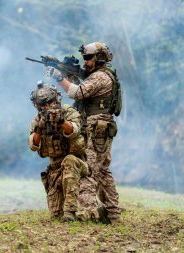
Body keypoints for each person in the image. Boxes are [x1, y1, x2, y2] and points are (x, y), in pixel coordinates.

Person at [46, 42, 122, 224]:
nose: (85, 61)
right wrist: (64, 69)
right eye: (84, 58)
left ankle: (88, 213)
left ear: (100, 58)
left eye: (88, 58)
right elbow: (81, 82)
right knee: (103, 171)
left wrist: (57, 76)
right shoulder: (97, 75)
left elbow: (77, 92)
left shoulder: (100, 77)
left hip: (97, 129)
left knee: (88, 169)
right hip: (99, 128)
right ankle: (114, 214)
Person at [28, 81, 102, 222]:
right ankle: (69, 210)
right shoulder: (37, 120)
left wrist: (61, 121)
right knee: (55, 215)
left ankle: (70, 211)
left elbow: (74, 131)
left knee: (69, 160)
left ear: (56, 100)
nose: (47, 107)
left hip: (77, 165)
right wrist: (40, 128)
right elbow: (33, 145)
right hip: (56, 170)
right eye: (43, 105)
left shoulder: (68, 112)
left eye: (50, 103)